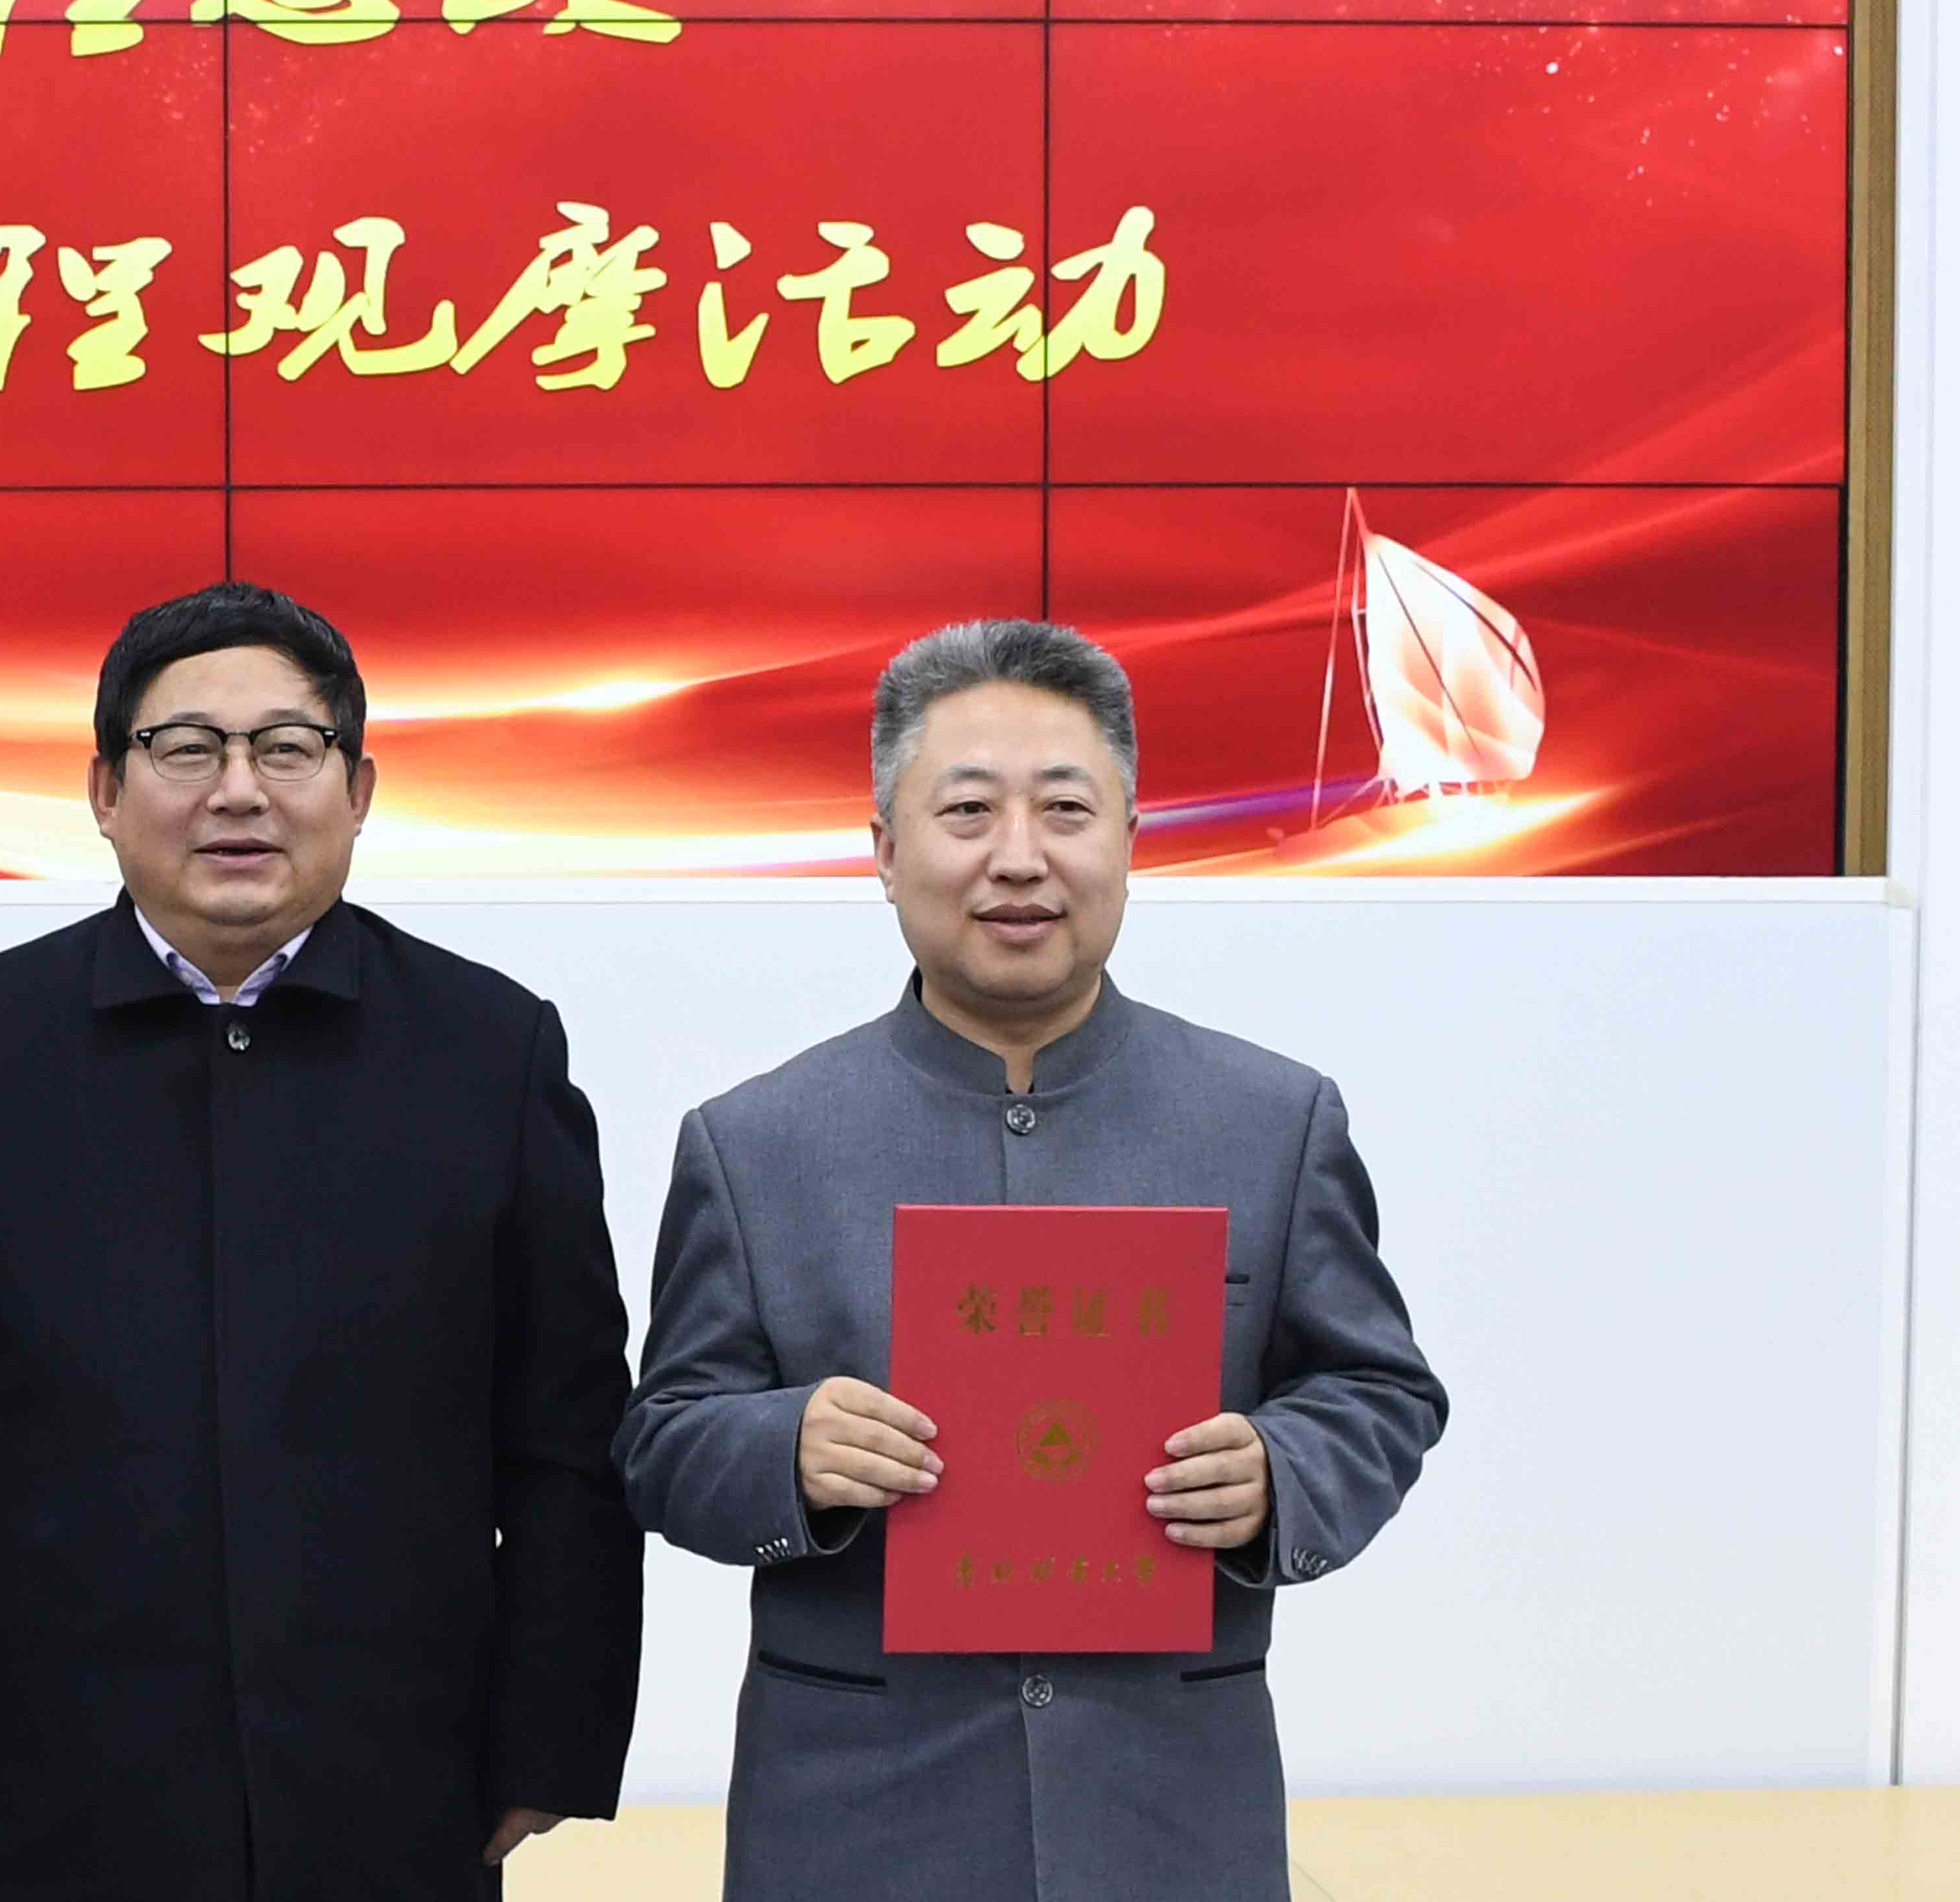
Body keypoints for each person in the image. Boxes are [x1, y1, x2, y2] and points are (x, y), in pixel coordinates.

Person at [0, 582, 642, 1901]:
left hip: (401, 1773)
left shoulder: (491, 1050)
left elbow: (568, 1433)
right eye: (185, 749)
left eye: (287, 749)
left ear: (358, 791)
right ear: (104, 790)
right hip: (60, 1776)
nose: (238, 792)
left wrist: (553, 1737)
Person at [616, 618, 1446, 1902]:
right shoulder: (756, 1141)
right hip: (858, 1818)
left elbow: (1380, 1393)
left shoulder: (1271, 1121)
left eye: (1065, 809)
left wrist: (1280, 1472)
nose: (1018, 856)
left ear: (1129, 837)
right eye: (966, 812)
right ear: (884, 850)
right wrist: (786, 1449)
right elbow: (662, 1438)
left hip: (1168, 1809)